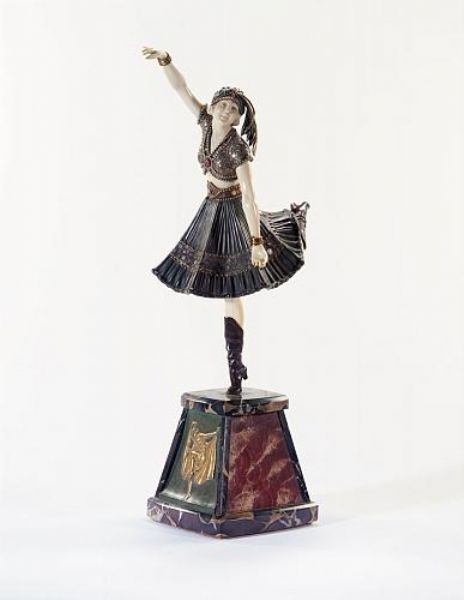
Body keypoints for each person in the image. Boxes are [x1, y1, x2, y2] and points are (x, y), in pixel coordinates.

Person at [142, 48, 309, 396]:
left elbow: (249, 196)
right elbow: (182, 90)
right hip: (211, 209)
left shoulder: (237, 148)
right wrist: (166, 61)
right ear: (214, 106)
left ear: (236, 119)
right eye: (223, 105)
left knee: (233, 289)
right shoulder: (205, 123)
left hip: (235, 213)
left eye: (233, 109)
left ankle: (236, 363)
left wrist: (256, 242)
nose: (226, 111)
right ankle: (235, 364)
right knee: (222, 285)